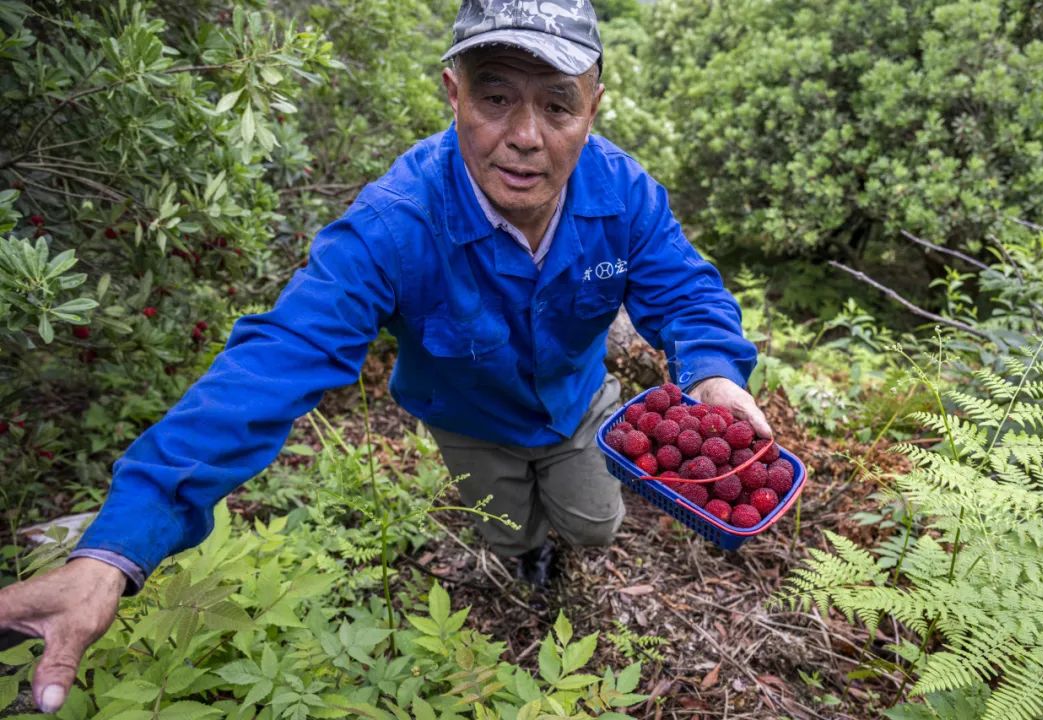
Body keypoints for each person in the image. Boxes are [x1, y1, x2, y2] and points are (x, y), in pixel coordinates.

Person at [0, 0, 771, 713]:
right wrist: (115, 549)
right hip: (468, 424)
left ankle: (564, 546)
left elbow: (686, 292)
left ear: (592, 109)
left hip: (578, 409)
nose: (527, 135)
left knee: (596, 524)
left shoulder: (625, 194)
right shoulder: (394, 223)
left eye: (558, 104)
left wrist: (711, 373)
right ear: (453, 92)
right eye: (496, 96)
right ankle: (527, 558)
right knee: (506, 528)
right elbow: (277, 359)